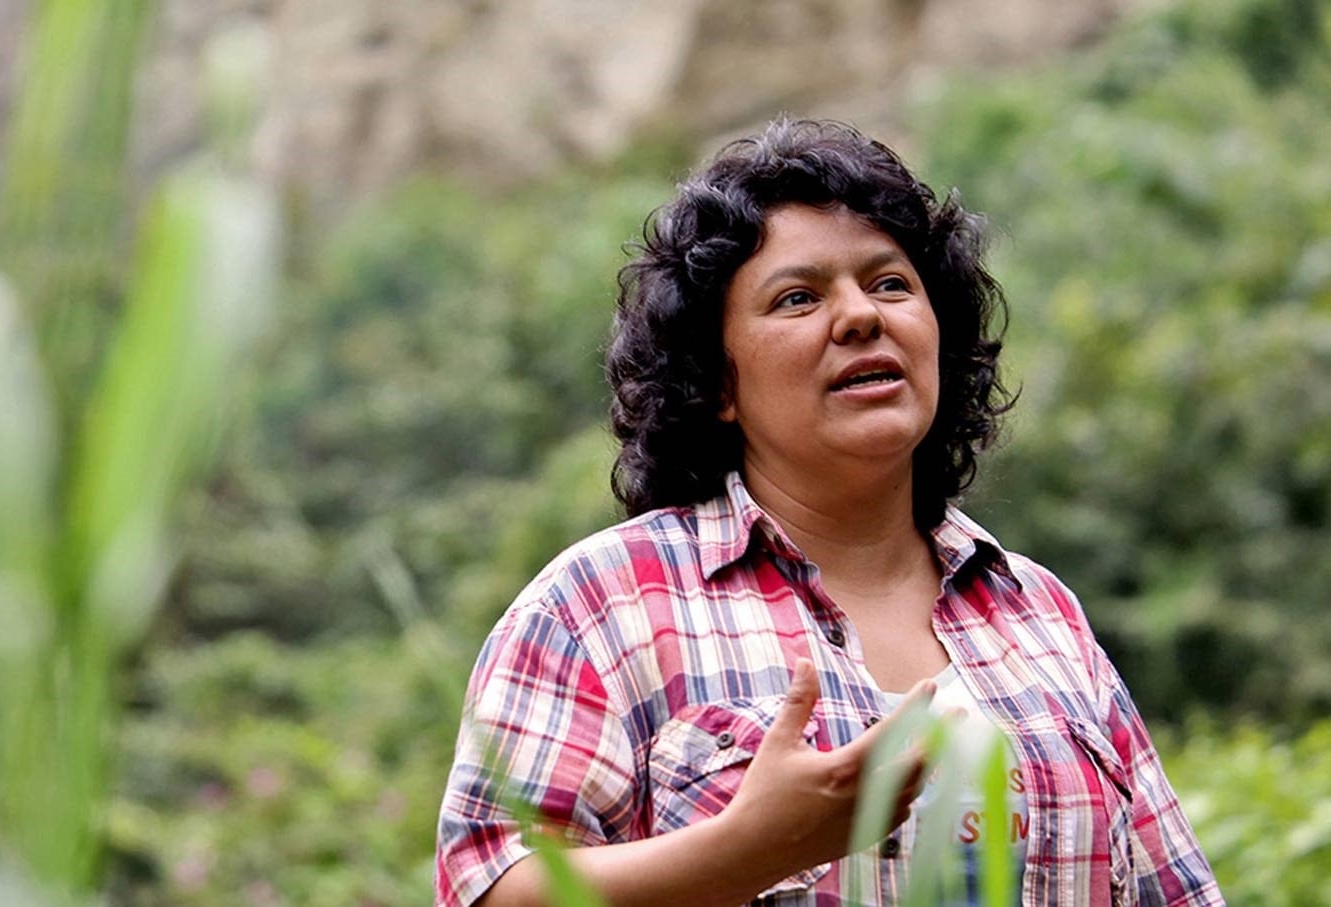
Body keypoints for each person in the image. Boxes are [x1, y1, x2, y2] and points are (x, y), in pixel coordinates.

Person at [435, 118, 1222, 906]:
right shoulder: (605, 604)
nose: (860, 315)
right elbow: (492, 885)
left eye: (890, 284)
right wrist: (741, 851)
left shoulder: (1041, 615)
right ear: (717, 383)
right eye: (798, 298)